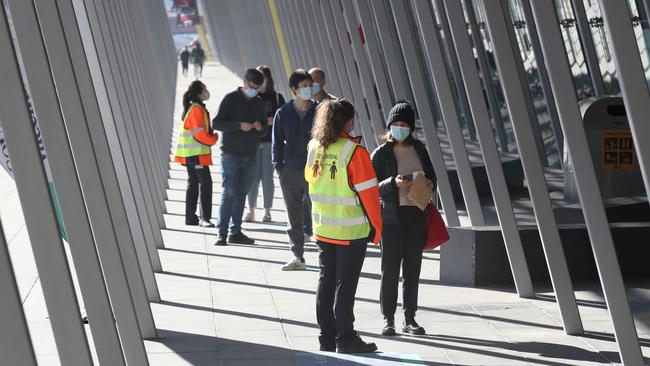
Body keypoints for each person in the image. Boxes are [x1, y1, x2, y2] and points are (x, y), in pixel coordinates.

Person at [306, 99, 382, 354]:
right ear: (348, 122)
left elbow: (312, 181)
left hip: (323, 227)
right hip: (350, 230)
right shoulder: (354, 152)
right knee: (345, 284)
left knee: (326, 280)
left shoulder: (314, 146)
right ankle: (346, 337)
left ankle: (326, 336)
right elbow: (369, 195)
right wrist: (377, 228)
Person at [370, 101, 436, 337]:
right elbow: (371, 187)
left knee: (412, 269)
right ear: (389, 126)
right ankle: (388, 319)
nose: (399, 128)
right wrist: (393, 183)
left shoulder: (420, 149)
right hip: (391, 217)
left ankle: (410, 318)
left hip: (416, 214)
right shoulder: (381, 153)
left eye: (404, 124)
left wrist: (429, 184)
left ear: (411, 127)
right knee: (389, 270)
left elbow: (432, 178)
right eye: (396, 124)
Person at [212, 68, 266, 245]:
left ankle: (236, 231)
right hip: (230, 154)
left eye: (258, 88)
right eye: (252, 86)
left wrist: (260, 128)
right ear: (245, 83)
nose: (255, 91)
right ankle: (222, 232)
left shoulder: (258, 102)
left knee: (242, 193)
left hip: (250, 154)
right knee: (229, 192)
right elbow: (216, 123)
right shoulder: (230, 99)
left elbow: (264, 129)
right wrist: (237, 125)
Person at [272, 69, 317, 270]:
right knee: (294, 216)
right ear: (294, 89)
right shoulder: (283, 113)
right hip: (290, 170)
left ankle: (327, 253)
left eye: (310, 84)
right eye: (304, 86)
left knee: (320, 213)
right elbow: (277, 143)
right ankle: (297, 255)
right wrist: (279, 168)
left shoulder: (320, 110)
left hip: (316, 171)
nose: (308, 89)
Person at [244, 65, 285, 223]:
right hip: (253, 143)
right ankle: (251, 210)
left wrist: (272, 120)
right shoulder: (250, 97)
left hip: (270, 142)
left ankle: (267, 211)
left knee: (268, 178)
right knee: (253, 178)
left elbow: (283, 118)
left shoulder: (276, 98)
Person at [174, 80, 218, 227]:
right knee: (206, 183)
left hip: (190, 155)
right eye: (204, 90)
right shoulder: (197, 110)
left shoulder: (193, 108)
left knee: (193, 183)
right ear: (199, 93)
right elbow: (199, 134)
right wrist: (214, 138)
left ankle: (191, 218)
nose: (206, 92)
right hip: (196, 155)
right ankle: (204, 218)